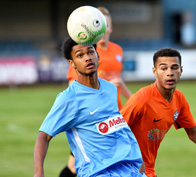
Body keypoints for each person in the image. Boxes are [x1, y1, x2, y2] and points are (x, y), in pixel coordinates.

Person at [120, 48, 196, 177]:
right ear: (154, 72)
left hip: (148, 169)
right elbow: (113, 132)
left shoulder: (178, 98)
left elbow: (194, 133)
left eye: (174, 67)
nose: (170, 73)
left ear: (181, 71)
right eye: (163, 68)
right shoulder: (141, 99)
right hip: (128, 169)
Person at [33, 37, 146, 177]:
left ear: (98, 56)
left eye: (90, 52)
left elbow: (118, 126)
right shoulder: (69, 98)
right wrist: (38, 172)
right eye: (80, 55)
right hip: (98, 172)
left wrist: (139, 160)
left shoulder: (110, 88)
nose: (87, 58)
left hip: (130, 170)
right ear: (72, 63)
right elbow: (43, 136)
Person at [59, 7, 132, 177]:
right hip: (91, 116)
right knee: (74, 166)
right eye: (99, 24)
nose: (103, 28)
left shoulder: (117, 50)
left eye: (106, 24)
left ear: (111, 28)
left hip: (114, 115)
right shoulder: (87, 53)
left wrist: (134, 100)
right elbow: (73, 85)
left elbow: (119, 82)